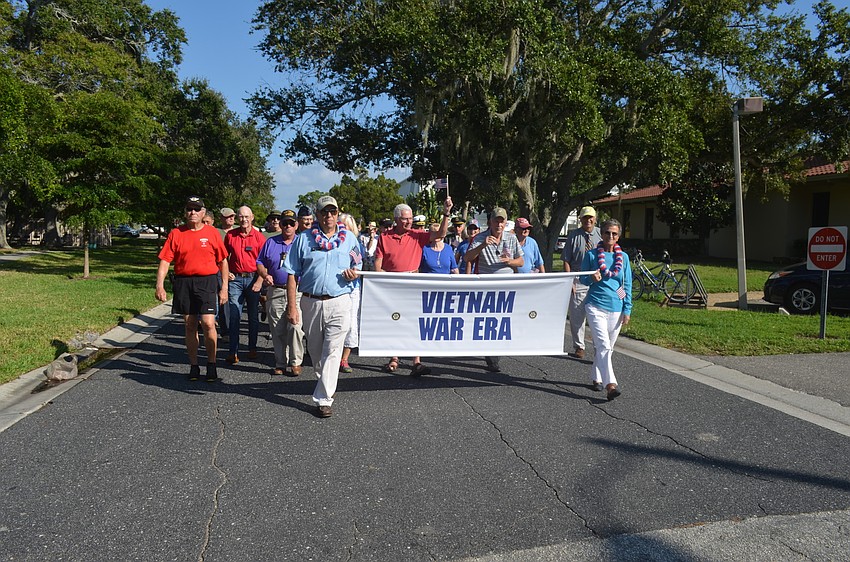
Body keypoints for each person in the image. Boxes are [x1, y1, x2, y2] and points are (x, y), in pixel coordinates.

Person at [283, 196, 362, 418]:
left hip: (339, 301)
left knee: (333, 350)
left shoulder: (349, 240)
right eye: (324, 212)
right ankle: (323, 379)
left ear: (338, 214)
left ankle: (324, 399)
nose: (329, 216)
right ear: (317, 215)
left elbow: (357, 264)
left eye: (333, 212)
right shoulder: (303, 239)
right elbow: (291, 273)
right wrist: (292, 306)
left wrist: (353, 274)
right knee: (316, 351)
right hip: (311, 301)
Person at [375, 197, 454, 376]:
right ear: (396, 219)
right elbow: (378, 264)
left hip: (413, 283)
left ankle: (416, 361)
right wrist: (382, 279)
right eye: (405, 219)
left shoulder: (417, 235)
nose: (409, 221)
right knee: (394, 321)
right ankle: (394, 357)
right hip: (392, 284)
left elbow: (441, 234)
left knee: (415, 322)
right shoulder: (384, 237)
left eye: (410, 218)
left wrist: (446, 213)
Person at [155, 196, 228, 382]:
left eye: (196, 209)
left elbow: (223, 261)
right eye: (189, 209)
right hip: (184, 282)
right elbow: (165, 260)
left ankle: (211, 364)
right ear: (185, 212)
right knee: (190, 324)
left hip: (207, 281)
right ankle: (194, 365)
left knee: (209, 323)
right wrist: (160, 285)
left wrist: (224, 287)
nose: (193, 213)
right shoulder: (176, 233)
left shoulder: (212, 233)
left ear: (203, 212)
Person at [464, 206, 524, 372]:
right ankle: (492, 358)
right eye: (496, 220)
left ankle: (497, 350)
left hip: (507, 287)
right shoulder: (480, 238)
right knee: (489, 320)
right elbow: (467, 258)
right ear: (490, 222)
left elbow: (521, 261)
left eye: (502, 221)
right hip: (487, 287)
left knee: (503, 320)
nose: (499, 224)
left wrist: (510, 262)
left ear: (505, 223)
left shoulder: (511, 239)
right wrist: (482, 245)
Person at [579, 218, 632, 400]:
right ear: (601, 234)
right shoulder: (592, 255)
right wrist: (591, 279)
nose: (610, 236)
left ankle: (596, 376)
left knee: (607, 348)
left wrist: (627, 309)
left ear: (618, 236)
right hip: (595, 305)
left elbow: (626, 285)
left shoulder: (623, 258)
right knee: (603, 345)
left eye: (614, 233)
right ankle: (611, 384)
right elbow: (582, 279)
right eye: (607, 232)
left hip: (616, 307)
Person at [253, 209, 305, 376]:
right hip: (275, 290)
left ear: (296, 225)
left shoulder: (302, 242)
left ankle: (296, 361)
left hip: (297, 291)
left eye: (291, 223)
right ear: (280, 225)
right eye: (284, 223)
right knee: (277, 329)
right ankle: (280, 362)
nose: (288, 226)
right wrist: (264, 274)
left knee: (295, 326)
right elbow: (260, 261)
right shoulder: (271, 242)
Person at [223, 206, 267, 364]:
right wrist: (226, 273)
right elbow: (223, 257)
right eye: (241, 217)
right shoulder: (230, 236)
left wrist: (260, 281)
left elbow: (264, 262)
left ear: (252, 217)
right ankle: (232, 351)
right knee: (234, 315)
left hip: (253, 279)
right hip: (235, 280)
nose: (244, 220)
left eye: (246, 216)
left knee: (253, 317)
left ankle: (252, 348)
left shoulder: (259, 237)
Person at [562, 206, 602, 359]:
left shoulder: (601, 234)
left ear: (595, 218)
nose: (588, 220)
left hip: (597, 278)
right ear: (580, 219)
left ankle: (599, 347)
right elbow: (566, 259)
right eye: (585, 218)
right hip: (578, 277)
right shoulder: (574, 235)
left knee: (597, 315)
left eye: (591, 217)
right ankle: (579, 346)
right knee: (577, 314)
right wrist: (570, 280)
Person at [339, 213, 364, 374]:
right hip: (334, 287)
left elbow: (358, 265)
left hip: (352, 287)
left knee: (350, 323)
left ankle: (344, 358)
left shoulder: (354, 243)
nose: (342, 228)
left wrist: (354, 273)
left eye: (345, 226)